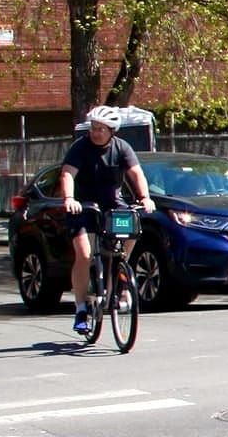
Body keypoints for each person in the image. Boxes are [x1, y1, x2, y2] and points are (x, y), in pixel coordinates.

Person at [59, 107, 156, 335]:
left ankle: (120, 273)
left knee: (132, 226)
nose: (95, 132)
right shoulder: (80, 148)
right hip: (84, 207)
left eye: (100, 129)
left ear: (112, 131)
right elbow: (67, 174)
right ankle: (81, 308)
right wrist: (70, 199)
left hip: (112, 205)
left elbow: (136, 173)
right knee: (84, 254)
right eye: (93, 128)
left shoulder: (122, 148)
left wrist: (145, 197)